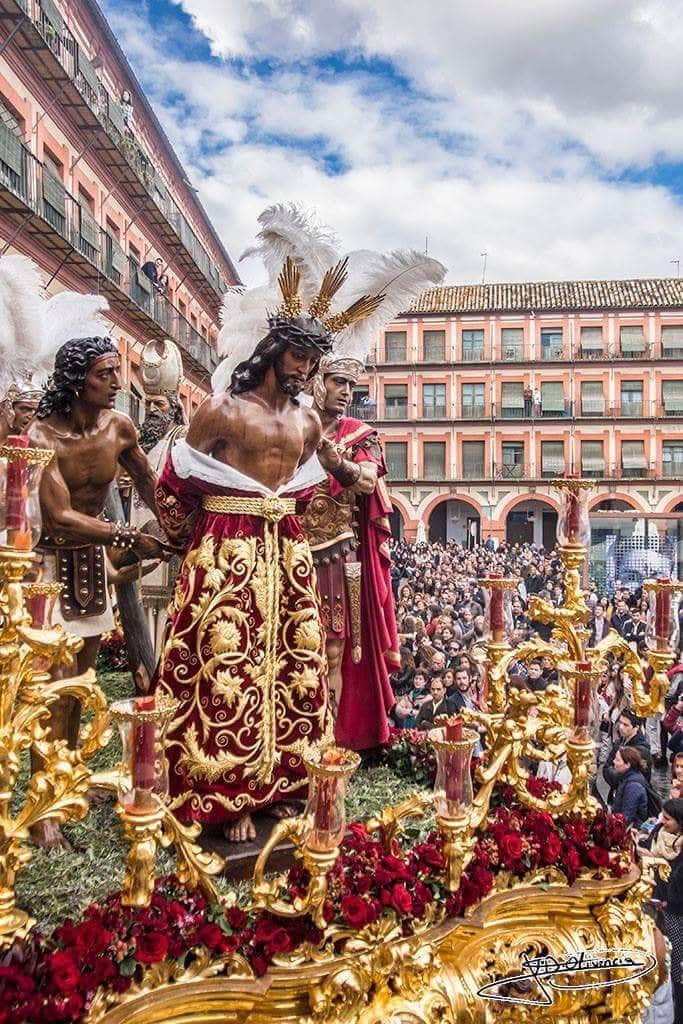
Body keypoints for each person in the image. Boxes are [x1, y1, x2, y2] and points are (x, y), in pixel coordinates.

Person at [29, 335, 165, 847]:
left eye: (116, 372)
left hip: (89, 565)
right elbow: (59, 516)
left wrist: (181, 526)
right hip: (48, 563)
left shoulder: (120, 427)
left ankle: (65, 778)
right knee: (53, 689)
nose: (116, 383)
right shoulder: (41, 436)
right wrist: (129, 537)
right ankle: (43, 811)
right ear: (75, 380)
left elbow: (151, 484)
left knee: (80, 685)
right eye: (104, 374)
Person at [301, 355, 398, 749]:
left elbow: (368, 481)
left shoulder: (358, 434)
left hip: (337, 557)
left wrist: (336, 464)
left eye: (351, 386)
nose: (346, 392)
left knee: (334, 650)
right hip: (289, 550)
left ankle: (329, 738)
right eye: (338, 382)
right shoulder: (291, 424)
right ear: (316, 381)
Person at [130, 339, 188, 658]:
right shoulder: (139, 442)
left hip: (168, 539)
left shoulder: (182, 439)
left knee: (167, 611)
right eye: (148, 403)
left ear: (174, 407)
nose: (152, 409)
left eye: (159, 404)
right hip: (138, 535)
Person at [639, 799, 683, 1023]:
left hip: (675, 912)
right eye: (662, 816)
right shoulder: (658, 832)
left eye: (668, 818)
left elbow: (677, 889)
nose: (662, 821)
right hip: (656, 904)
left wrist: (656, 862)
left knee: (673, 962)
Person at [603, 708, 652, 799]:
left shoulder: (642, 751)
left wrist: (613, 772)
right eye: (620, 723)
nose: (621, 727)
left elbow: (623, 778)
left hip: (632, 797)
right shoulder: (619, 742)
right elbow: (606, 768)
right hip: (616, 795)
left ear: (636, 728)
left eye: (626, 725)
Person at [610, 747, 648, 826]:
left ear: (627, 764)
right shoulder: (626, 777)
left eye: (617, 760)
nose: (614, 761)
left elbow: (627, 817)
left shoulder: (633, 786)